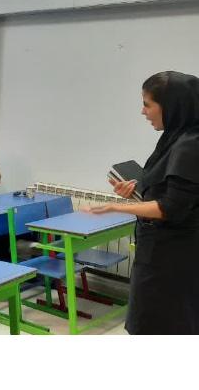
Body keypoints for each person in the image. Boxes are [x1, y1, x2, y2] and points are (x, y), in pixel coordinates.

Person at [87, 71, 199, 334]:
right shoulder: (176, 138)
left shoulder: (189, 146)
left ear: (171, 106)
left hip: (171, 259)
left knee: (157, 324)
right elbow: (172, 191)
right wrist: (137, 193)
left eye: (147, 104)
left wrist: (115, 207)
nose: (143, 112)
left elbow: (170, 208)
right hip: (163, 252)